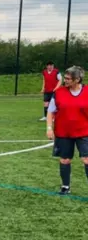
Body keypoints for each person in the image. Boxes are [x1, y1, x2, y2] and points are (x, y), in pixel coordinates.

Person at [46, 66, 88, 195]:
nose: (65, 80)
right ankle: (65, 187)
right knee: (65, 160)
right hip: (63, 132)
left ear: (77, 79)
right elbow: (50, 111)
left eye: (69, 78)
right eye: (65, 77)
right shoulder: (59, 92)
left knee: (86, 159)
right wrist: (49, 128)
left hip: (84, 132)